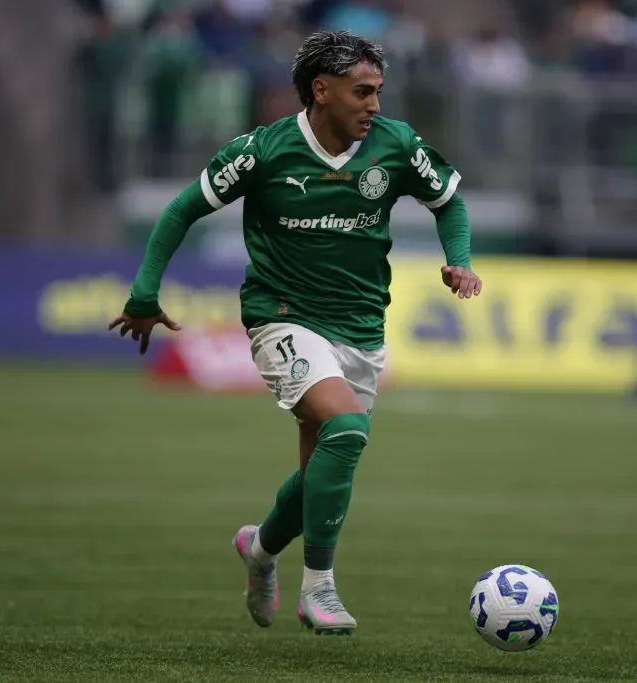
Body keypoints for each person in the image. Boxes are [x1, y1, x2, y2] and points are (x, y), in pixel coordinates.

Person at [107, 30, 482, 635]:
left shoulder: (395, 144)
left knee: (320, 475)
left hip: (361, 325)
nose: (375, 105)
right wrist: (145, 293)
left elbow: (449, 203)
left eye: (378, 91)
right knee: (347, 428)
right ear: (321, 90)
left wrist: (458, 260)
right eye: (362, 92)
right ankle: (320, 586)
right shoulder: (263, 151)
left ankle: (259, 550)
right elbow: (182, 210)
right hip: (282, 315)